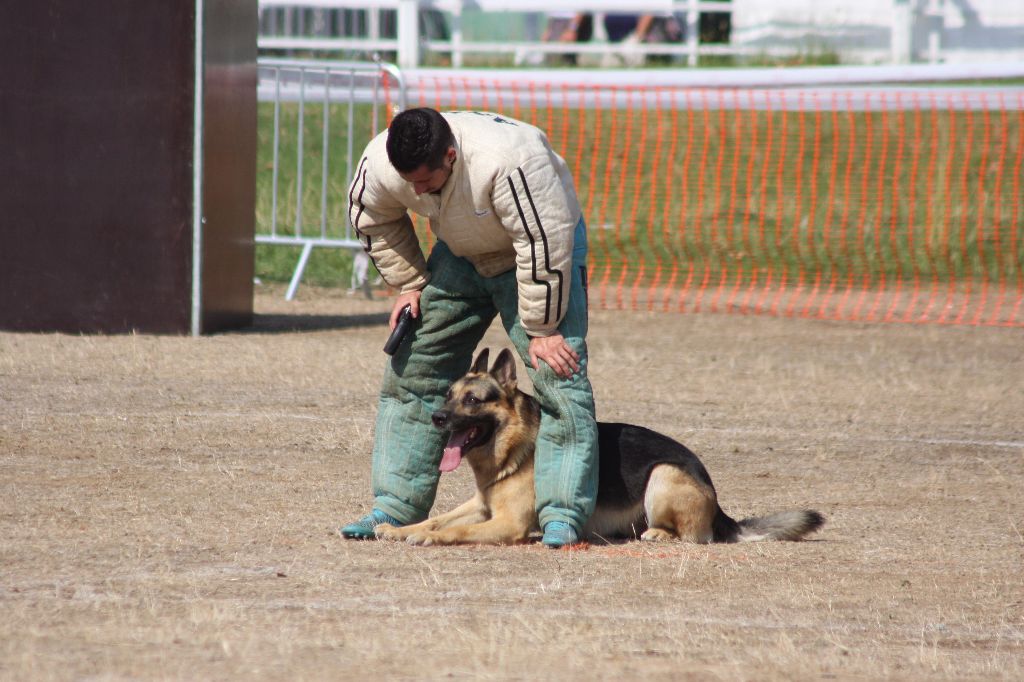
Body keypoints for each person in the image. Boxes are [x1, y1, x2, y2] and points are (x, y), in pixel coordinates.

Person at [340, 108, 598, 548]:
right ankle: (396, 506)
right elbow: (371, 215)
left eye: (426, 180)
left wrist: (542, 326)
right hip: (460, 252)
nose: (417, 191)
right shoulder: (383, 164)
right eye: (410, 183)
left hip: (537, 253)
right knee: (414, 368)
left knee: (558, 374)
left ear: (451, 156)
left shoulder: (509, 160)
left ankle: (560, 515)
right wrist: (407, 283)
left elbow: (543, 240)